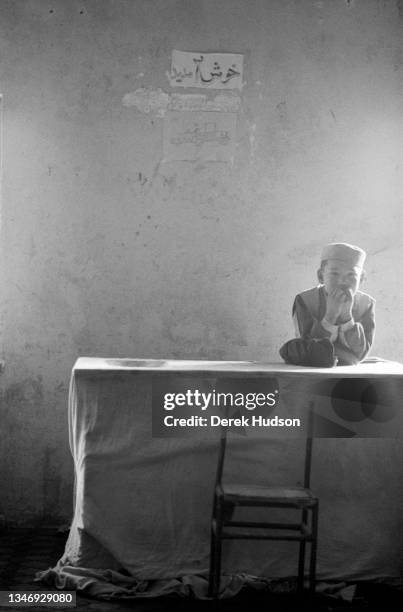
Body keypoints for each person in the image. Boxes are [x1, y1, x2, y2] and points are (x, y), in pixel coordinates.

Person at [289, 242, 375, 366]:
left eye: (351, 275)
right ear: (321, 276)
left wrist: (347, 317)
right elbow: (307, 348)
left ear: (361, 279)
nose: (342, 281)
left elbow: (361, 353)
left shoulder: (366, 304)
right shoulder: (305, 300)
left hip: (350, 370)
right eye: (334, 274)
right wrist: (330, 316)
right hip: (313, 368)